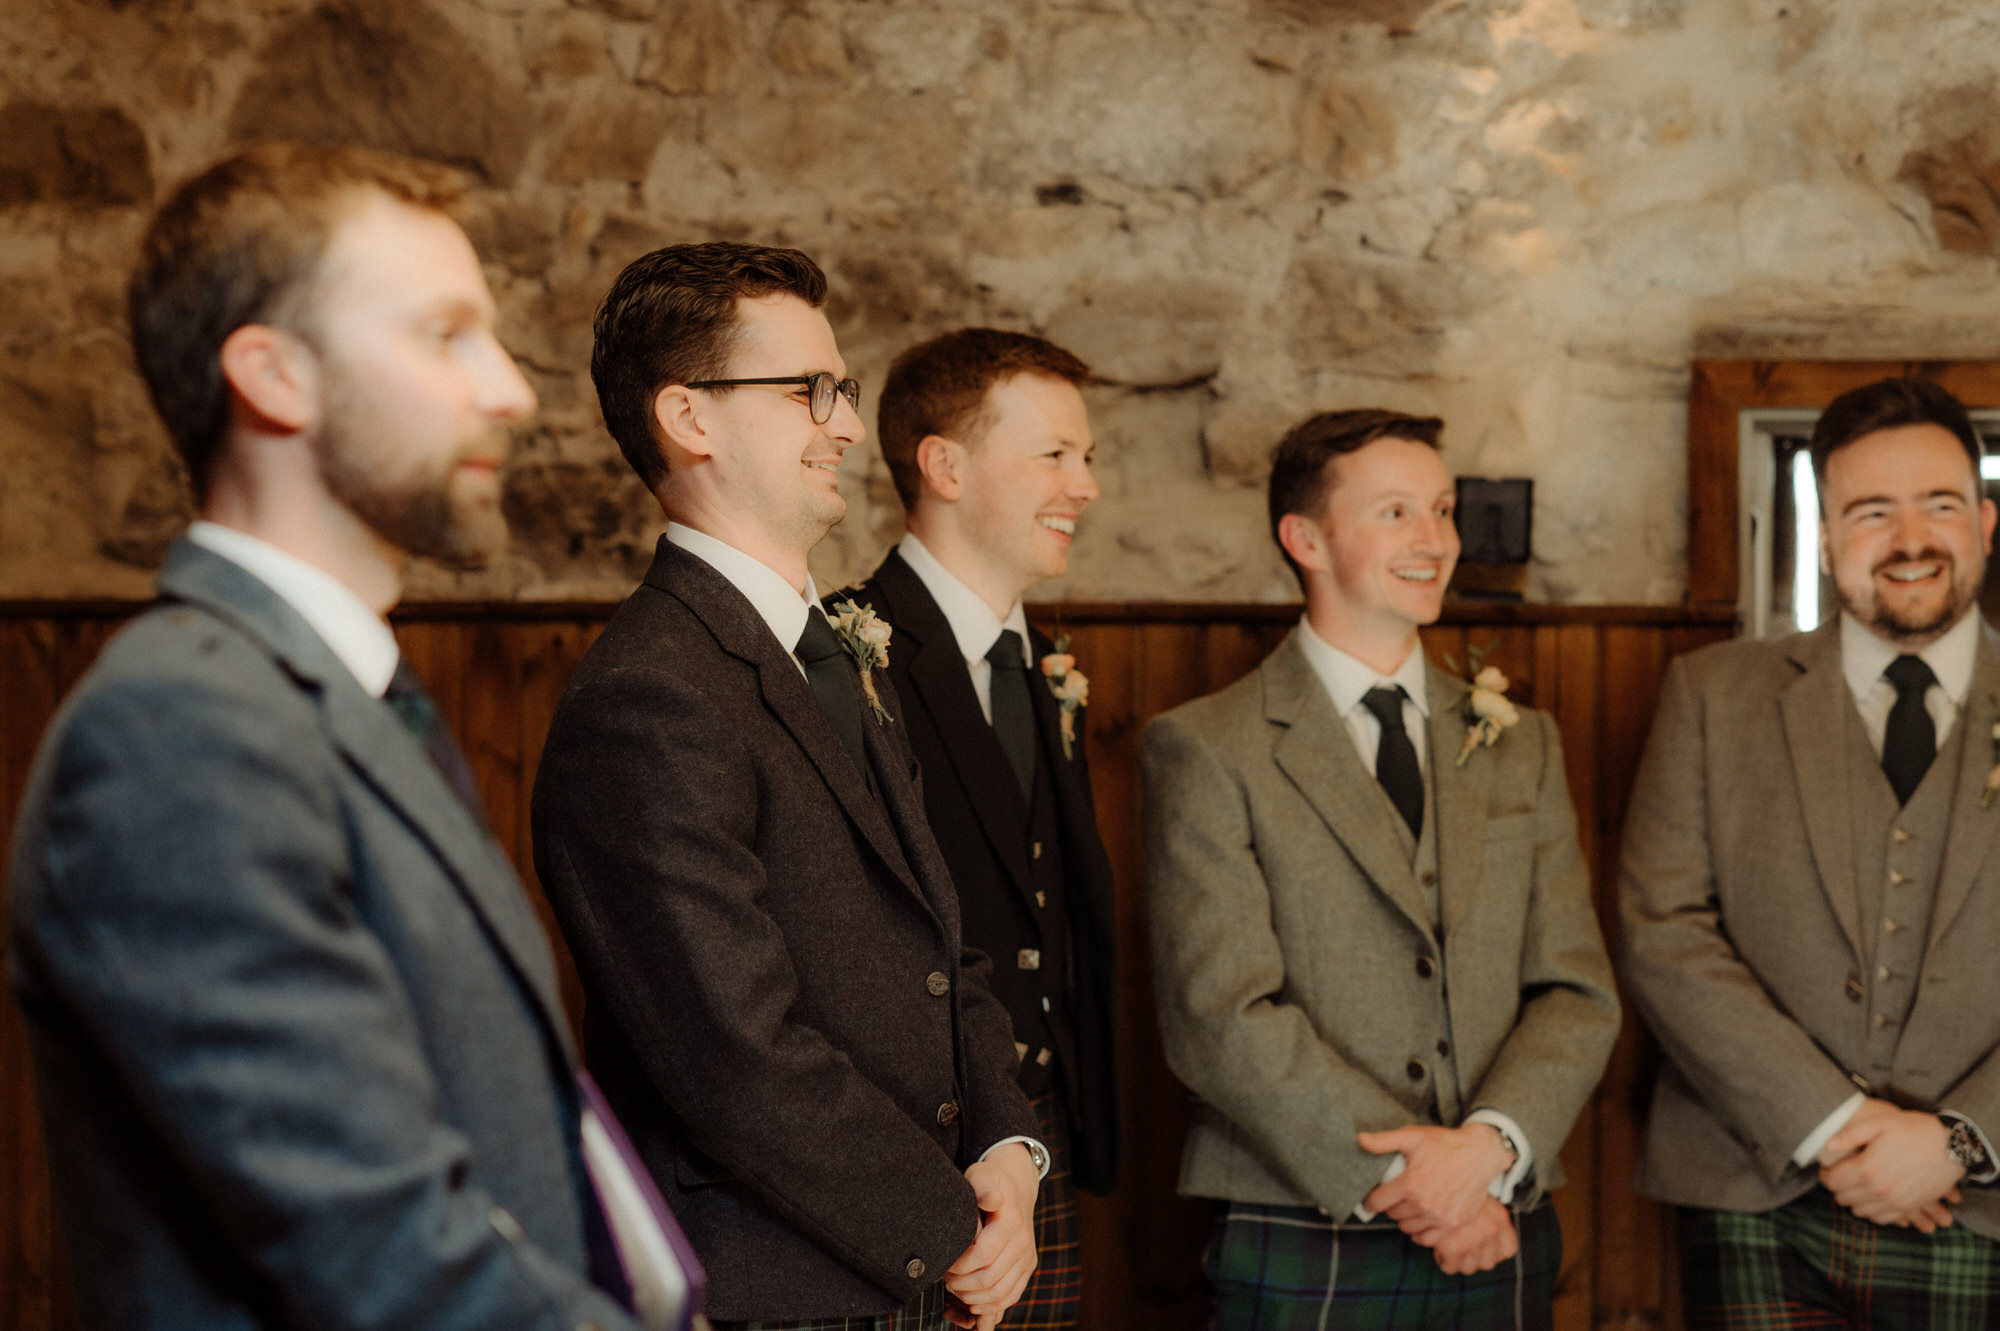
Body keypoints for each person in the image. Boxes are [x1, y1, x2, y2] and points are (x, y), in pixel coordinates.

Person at [7, 143, 696, 1330]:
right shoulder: (182, 728)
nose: (512, 390)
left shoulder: (341, 695)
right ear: (275, 376)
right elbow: (387, 1259)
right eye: (444, 335)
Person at [531, 243, 1045, 1331]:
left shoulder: (827, 652)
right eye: (809, 391)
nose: (848, 426)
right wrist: (949, 1219)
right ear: (690, 416)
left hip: (904, 1267)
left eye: (843, 391)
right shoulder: (648, 696)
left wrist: (1007, 1145)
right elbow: (732, 1057)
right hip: (777, 1287)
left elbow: (937, 942)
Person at [1143, 409, 1619, 1328]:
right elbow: (1217, 1013)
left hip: (1502, 1211)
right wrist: (1413, 1178)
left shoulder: (1524, 744)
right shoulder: (1206, 746)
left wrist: (1485, 1151)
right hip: (1302, 1215)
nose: (1435, 539)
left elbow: (1576, 988)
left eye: (1442, 510)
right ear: (1306, 537)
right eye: (1397, 512)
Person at [1621, 375, 2000, 1328]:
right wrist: (1836, 1123)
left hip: (1985, 1200)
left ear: (1987, 522)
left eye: (1940, 505)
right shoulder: (1712, 695)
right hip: (1757, 1183)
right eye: (1871, 511)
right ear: (1825, 537)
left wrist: (1959, 1137)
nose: (1910, 539)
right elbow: (1664, 929)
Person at [843, 328, 1120, 1331]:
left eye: (1085, 457)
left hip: (1035, 1137)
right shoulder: (841, 652)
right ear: (944, 463)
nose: (1082, 486)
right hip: (915, 1144)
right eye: (1054, 454)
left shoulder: (1038, 661)